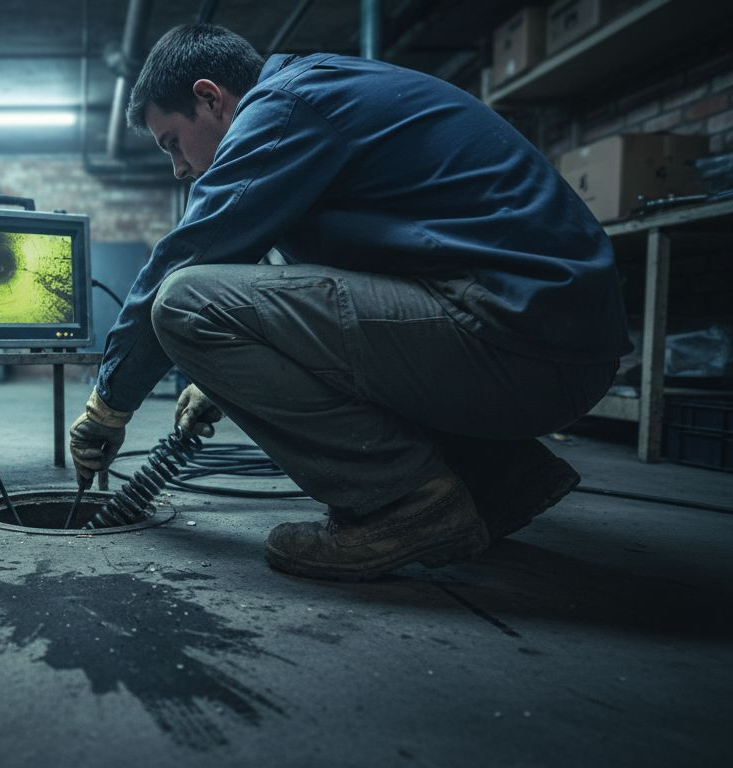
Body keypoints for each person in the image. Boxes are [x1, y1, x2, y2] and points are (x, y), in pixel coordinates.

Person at [68, 24, 628, 581]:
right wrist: (219, 373)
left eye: (172, 143)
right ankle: (500, 479)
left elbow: (185, 261)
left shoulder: (285, 107)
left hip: (519, 338)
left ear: (210, 98)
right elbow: (339, 297)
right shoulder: (323, 95)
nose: (179, 168)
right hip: (551, 342)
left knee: (182, 301)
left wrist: (106, 407)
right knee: (205, 298)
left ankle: (402, 504)